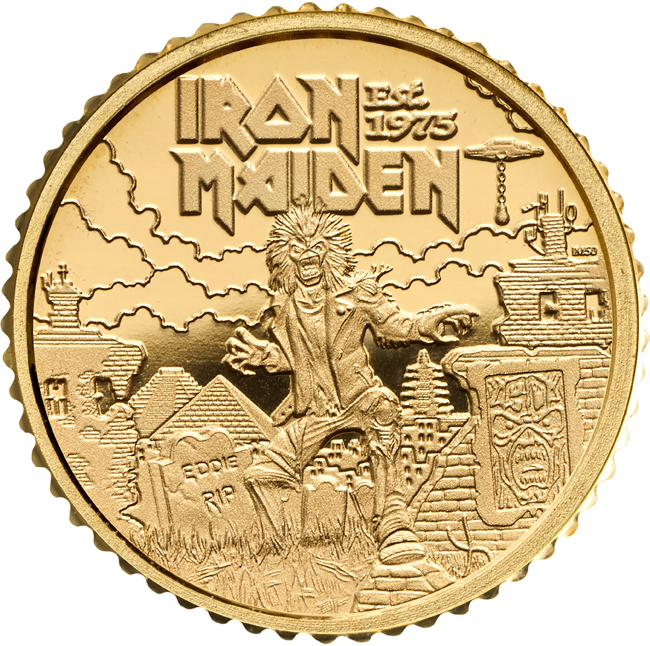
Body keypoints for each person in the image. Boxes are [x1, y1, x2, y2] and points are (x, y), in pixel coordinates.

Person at [224, 199, 477, 564]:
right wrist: (263, 356)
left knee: (384, 408)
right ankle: (283, 548)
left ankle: (392, 519)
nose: (308, 257)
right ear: (285, 257)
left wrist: (432, 321)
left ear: (329, 252)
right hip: (314, 412)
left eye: (316, 248)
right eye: (297, 250)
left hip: (359, 399)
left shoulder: (358, 294)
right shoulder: (283, 310)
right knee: (263, 473)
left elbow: (396, 326)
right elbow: (299, 361)